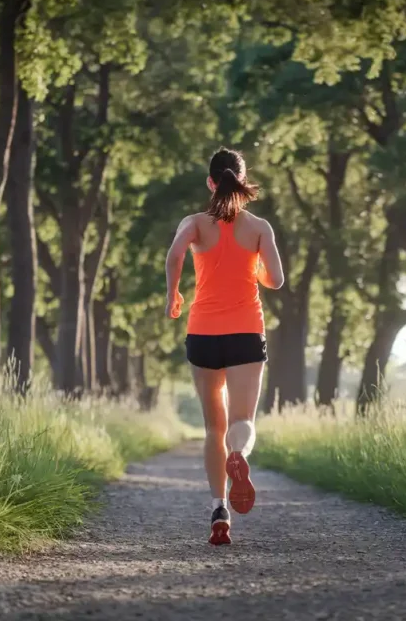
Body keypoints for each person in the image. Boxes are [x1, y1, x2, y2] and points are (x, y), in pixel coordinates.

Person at [164, 147, 285, 545]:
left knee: (212, 427)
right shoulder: (259, 227)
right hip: (246, 332)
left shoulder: (195, 223)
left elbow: (175, 253)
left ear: (210, 182)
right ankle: (240, 455)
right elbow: (276, 280)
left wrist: (173, 296)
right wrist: (254, 266)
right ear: (242, 179)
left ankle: (219, 507)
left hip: (203, 334)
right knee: (241, 422)